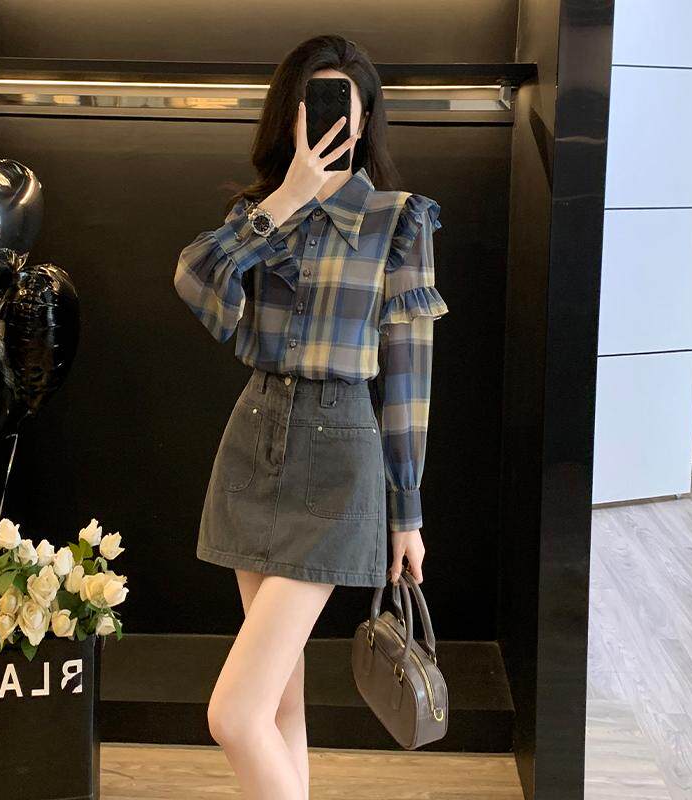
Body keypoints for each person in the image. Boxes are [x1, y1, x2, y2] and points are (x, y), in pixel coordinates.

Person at [173, 34, 448, 800]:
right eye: (314, 105)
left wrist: (406, 510)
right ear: (289, 116)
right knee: (276, 703)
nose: (329, 121)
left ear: (364, 121)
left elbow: (409, 375)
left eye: (343, 108)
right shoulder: (256, 216)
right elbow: (192, 281)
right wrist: (286, 198)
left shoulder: (399, 222)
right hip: (252, 443)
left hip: (338, 456)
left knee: (234, 715)